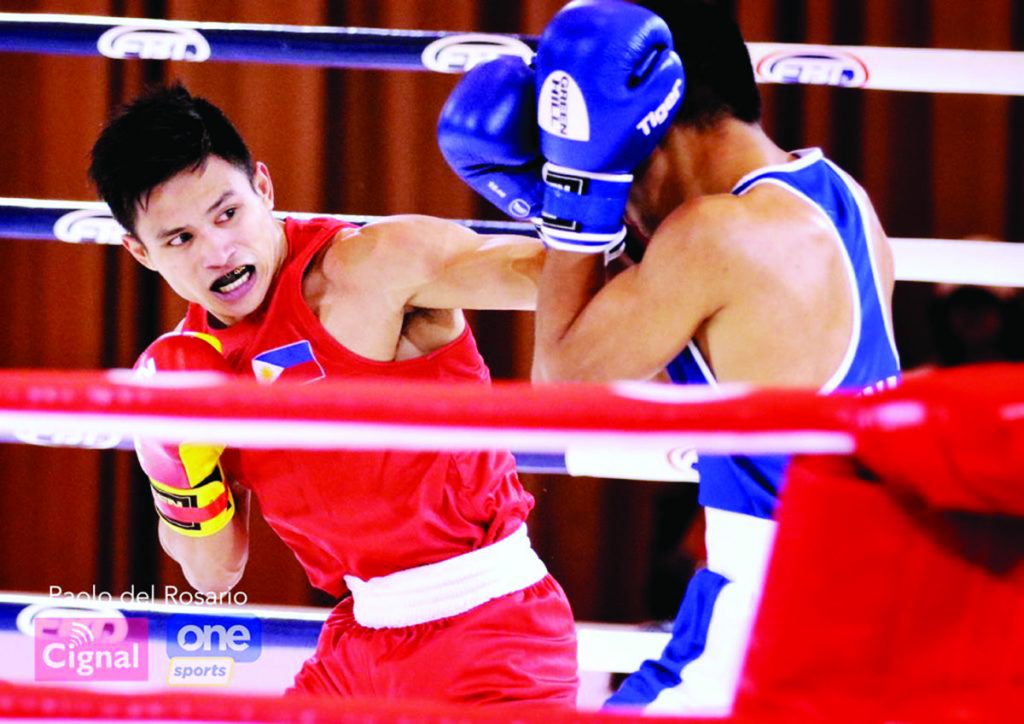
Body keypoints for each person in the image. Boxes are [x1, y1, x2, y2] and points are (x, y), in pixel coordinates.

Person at [439, 0, 900, 715]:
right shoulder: (836, 196)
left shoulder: (715, 234)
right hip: (867, 601)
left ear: (648, 120)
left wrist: (578, 195)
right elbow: (663, 352)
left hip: (771, 626)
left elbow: (562, 393)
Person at [88, 84, 578, 707]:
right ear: (140, 252)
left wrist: (576, 199)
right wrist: (174, 469)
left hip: (490, 630)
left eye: (227, 213)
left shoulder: (372, 267)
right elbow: (215, 575)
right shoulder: (188, 372)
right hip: (358, 641)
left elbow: (559, 282)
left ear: (263, 188)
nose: (218, 251)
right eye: (179, 239)